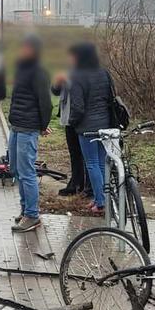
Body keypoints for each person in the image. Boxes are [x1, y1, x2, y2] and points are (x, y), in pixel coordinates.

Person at [61, 42, 114, 215]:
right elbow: (110, 98)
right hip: (105, 126)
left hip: (87, 128)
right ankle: (103, 198)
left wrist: (74, 124)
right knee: (101, 163)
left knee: (91, 164)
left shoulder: (77, 75)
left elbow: (78, 107)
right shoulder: (104, 73)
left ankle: (100, 202)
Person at [7, 34, 52, 233]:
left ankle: (32, 215)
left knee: (27, 173)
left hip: (28, 128)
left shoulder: (39, 72)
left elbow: (46, 102)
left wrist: (43, 125)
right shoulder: (22, 69)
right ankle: (25, 210)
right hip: (16, 126)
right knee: (16, 169)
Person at [52, 73, 88, 199]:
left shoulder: (82, 73)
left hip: (80, 119)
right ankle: (76, 183)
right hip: (68, 119)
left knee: (85, 155)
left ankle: (85, 186)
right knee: (74, 154)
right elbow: (55, 91)